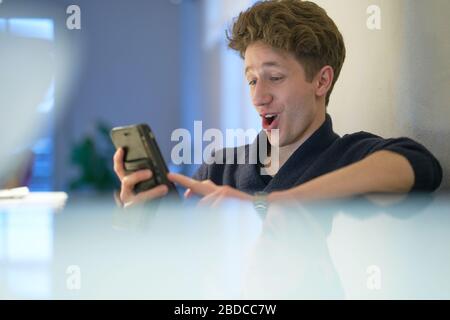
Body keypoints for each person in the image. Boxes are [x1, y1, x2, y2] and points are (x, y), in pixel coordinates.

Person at [113, 0, 442, 208]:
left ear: (321, 81)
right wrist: (137, 211)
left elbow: (418, 164)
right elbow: (181, 254)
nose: (258, 97)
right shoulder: (220, 168)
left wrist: (268, 203)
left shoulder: (348, 156)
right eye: (252, 79)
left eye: (275, 77)